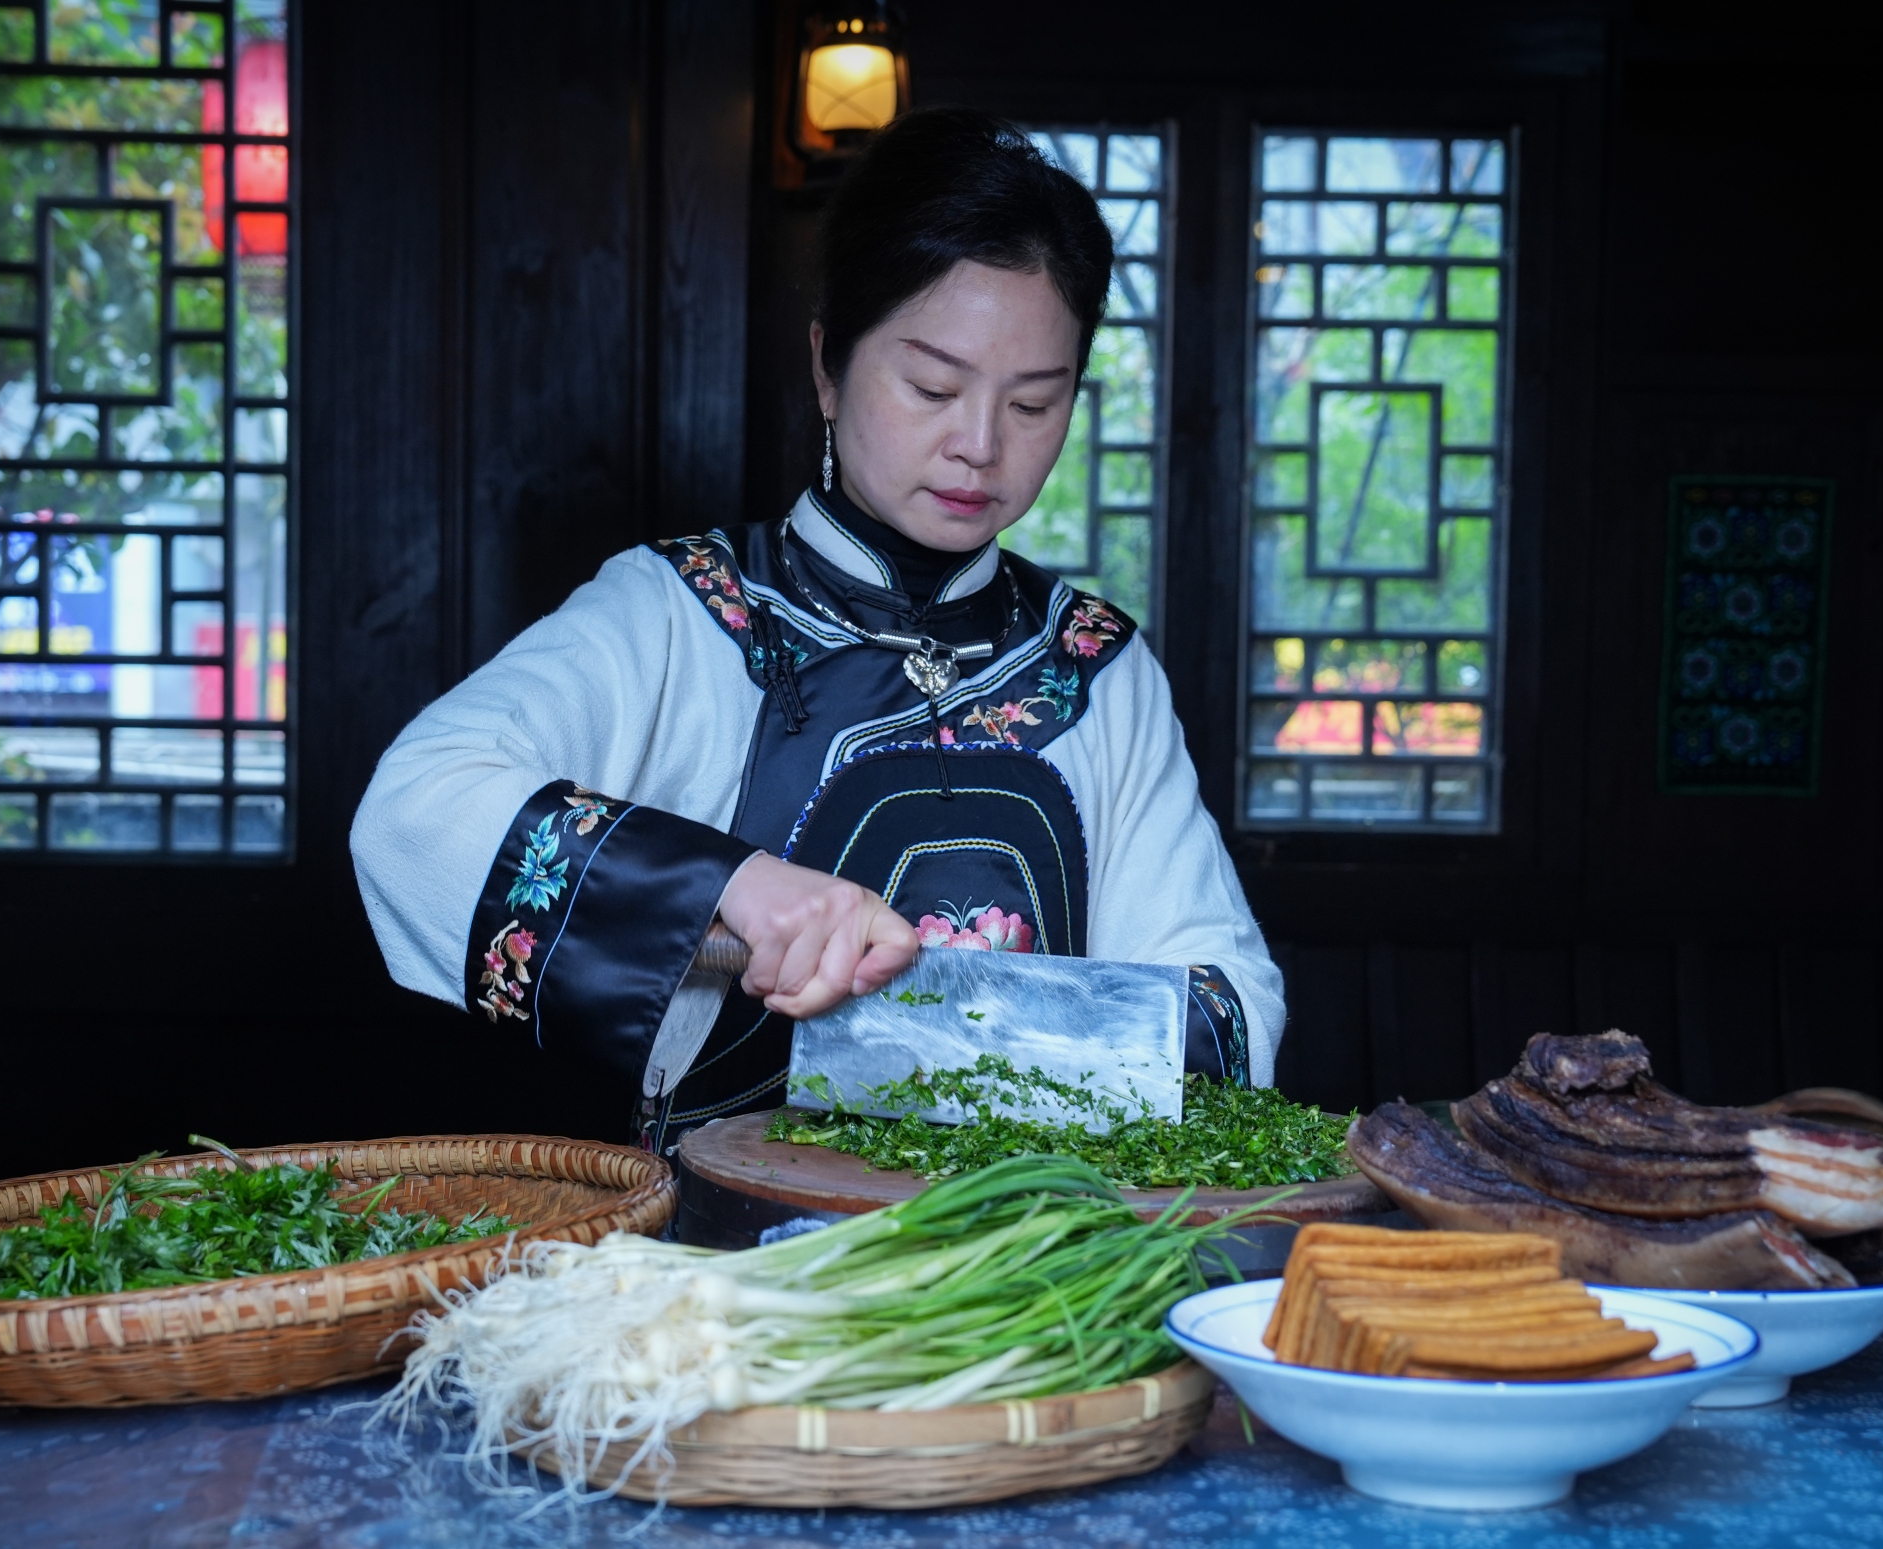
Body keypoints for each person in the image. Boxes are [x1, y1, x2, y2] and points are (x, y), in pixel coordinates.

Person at [351, 108, 1283, 1149]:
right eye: (933, 386)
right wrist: (734, 889)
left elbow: (1230, 1003)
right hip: (724, 1244)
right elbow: (416, 807)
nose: (980, 444)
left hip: (1028, 1241)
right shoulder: (683, 612)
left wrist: (934, 1029)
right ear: (827, 365)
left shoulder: (1097, 668)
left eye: (1033, 403)